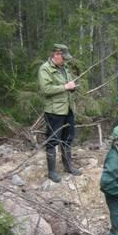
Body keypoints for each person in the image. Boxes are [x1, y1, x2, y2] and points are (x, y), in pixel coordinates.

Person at [38, 44, 82, 183]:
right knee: (52, 140)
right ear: (56, 54)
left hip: (68, 108)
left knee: (68, 138)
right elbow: (46, 89)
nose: (65, 60)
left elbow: (68, 85)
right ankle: (52, 172)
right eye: (63, 57)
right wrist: (65, 87)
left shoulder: (64, 68)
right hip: (54, 111)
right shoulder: (45, 69)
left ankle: (68, 166)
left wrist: (72, 87)